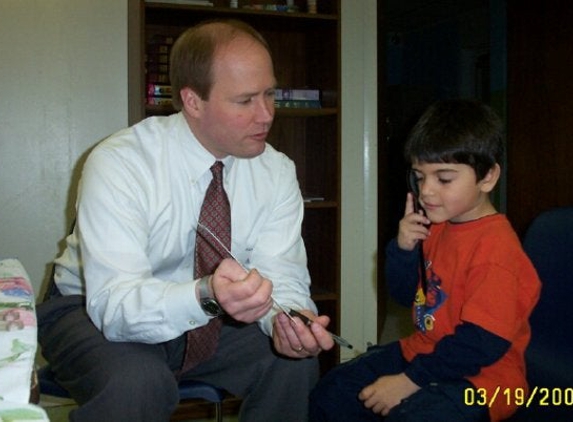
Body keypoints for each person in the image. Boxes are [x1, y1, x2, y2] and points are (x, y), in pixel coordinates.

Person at [37, 19, 334, 422]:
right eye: (245, 101)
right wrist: (206, 294)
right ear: (193, 102)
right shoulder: (121, 162)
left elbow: (281, 274)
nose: (266, 115)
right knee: (139, 383)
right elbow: (115, 304)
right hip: (89, 307)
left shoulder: (276, 170)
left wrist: (290, 320)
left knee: (294, 362)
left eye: (270, 94)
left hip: (210, 314)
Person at [309, 99, 541, 422]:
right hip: (427, 351)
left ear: (487, 178)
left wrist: (409, 381)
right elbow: (406, 298)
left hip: (487, 378)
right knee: (333, 392)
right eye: (419, 177)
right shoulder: (437, 228)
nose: (426, 192)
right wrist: (404, 250)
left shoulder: (497, 253)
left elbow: (480, 345)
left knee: (412, 415)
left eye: (443, 179)